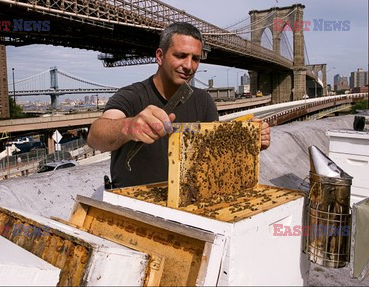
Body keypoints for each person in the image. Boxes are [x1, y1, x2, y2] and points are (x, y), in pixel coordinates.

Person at [87, 22, 270, 188]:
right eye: (181, 56)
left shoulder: (204, 100)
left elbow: (215, 155)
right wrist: (130, 126)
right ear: (160, 56)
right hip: (134, 210)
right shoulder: (132, 96)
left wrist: (248, 142)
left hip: (188, 205)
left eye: (195, 58)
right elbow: (95, 136)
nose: (189, 66)